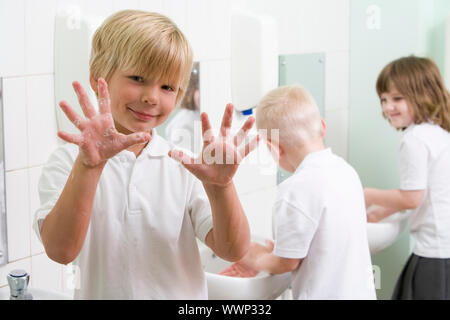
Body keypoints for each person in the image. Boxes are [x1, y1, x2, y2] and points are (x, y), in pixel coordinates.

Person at [32, 10, 259, 300]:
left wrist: (221, 188)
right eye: (138, 78)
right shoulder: (67, 163)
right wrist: (89, 167)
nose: (152, 96)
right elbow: (61, 251)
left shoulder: (184, 165)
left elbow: (232, 250)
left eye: (167, 87)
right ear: (97, 78)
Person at [221, 85, 376, 300]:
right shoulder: (346, 172)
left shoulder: (294, 189)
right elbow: (324, 241)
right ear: (322, 126)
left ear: (274, 148)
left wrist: (255, 258)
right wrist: (282, 250)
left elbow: (287, 263)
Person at [363, 56, 450, 300]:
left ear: (423, 94)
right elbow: (425, 193)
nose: (388, 107)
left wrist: (366, 195)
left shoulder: (414, 139)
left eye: (397, 98)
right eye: (383, 99)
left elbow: (412, 197)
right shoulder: (438, 132)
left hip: (435, 253)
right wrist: (380, 212)